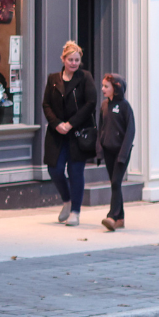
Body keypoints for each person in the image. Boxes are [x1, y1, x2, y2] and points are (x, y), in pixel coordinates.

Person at [44, 41, 98, 226]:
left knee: (76, 171)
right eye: (70, 60)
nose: (74, 63)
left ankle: (75, 211)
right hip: (57, 132)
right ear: (63, 59)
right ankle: (66, 201)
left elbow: (91, 103)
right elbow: (46, 104)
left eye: (77, 60)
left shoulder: (85, 78)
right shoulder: (53, 79)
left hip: (77, 133)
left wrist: (71, 124)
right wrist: (57, 123)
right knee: (55, 169)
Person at [97, 74, 134, 232]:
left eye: (106, 86)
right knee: (115, 183)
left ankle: (112, 216)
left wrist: (123, 154)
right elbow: (100, 129)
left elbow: (130, 131)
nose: (103, 89)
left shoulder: (125, 106)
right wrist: (99, 151)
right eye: (103, 86)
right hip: (108, 151)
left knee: (116, 182)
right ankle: (120, 219)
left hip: (121, 152)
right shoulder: (104, 105)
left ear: (116, 88)